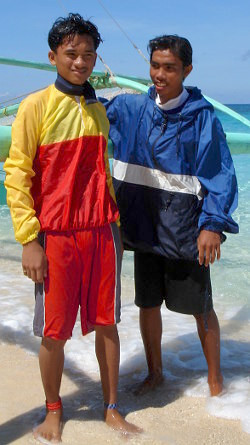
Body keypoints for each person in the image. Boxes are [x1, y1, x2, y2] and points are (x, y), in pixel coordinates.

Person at [4, 13, 140, 444]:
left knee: (107, 323)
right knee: (54, 330)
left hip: (102, 231)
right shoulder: (36, 106)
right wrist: (29, 239)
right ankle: (52, 408)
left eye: (88, 55)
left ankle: (112, 406)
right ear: (53, 57)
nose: (80, 62)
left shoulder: (97, 106)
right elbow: (16, 174)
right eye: (71, 54)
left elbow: (102, 169)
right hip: (57, 235)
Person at [102, 35, 239, 397]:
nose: (160, 75)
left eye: (170, 68)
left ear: (186, 70)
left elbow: (221, 173)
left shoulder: (202, 117)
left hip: (185, 229)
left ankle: (215, 379)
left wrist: (212, 224)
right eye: (155, 66)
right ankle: (155, 373)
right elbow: (89, 114)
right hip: (144, 229)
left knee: (200, 308)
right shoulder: (131, 109)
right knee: (147, 304)